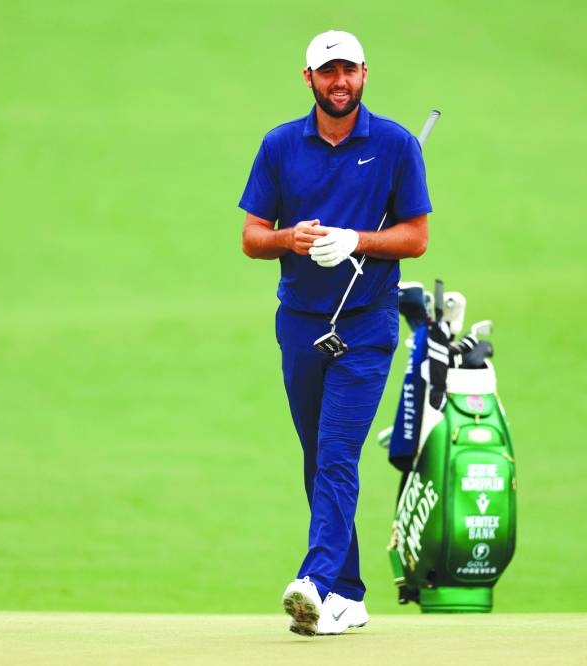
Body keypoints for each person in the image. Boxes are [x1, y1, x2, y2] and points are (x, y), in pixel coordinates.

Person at [238, 29, 432, 636]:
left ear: (365, 74)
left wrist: (356, 241)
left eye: (349, 70)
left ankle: (315, 582)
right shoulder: (278, 146)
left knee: (338, 455)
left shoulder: (398, 145)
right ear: (309, 79)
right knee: (317, 456)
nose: (339, 81)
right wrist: (290, 238)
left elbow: (415, 237)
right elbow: (251, 236)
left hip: (367, 324)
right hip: (299, 323)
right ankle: (348, 593)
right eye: (328, 72)